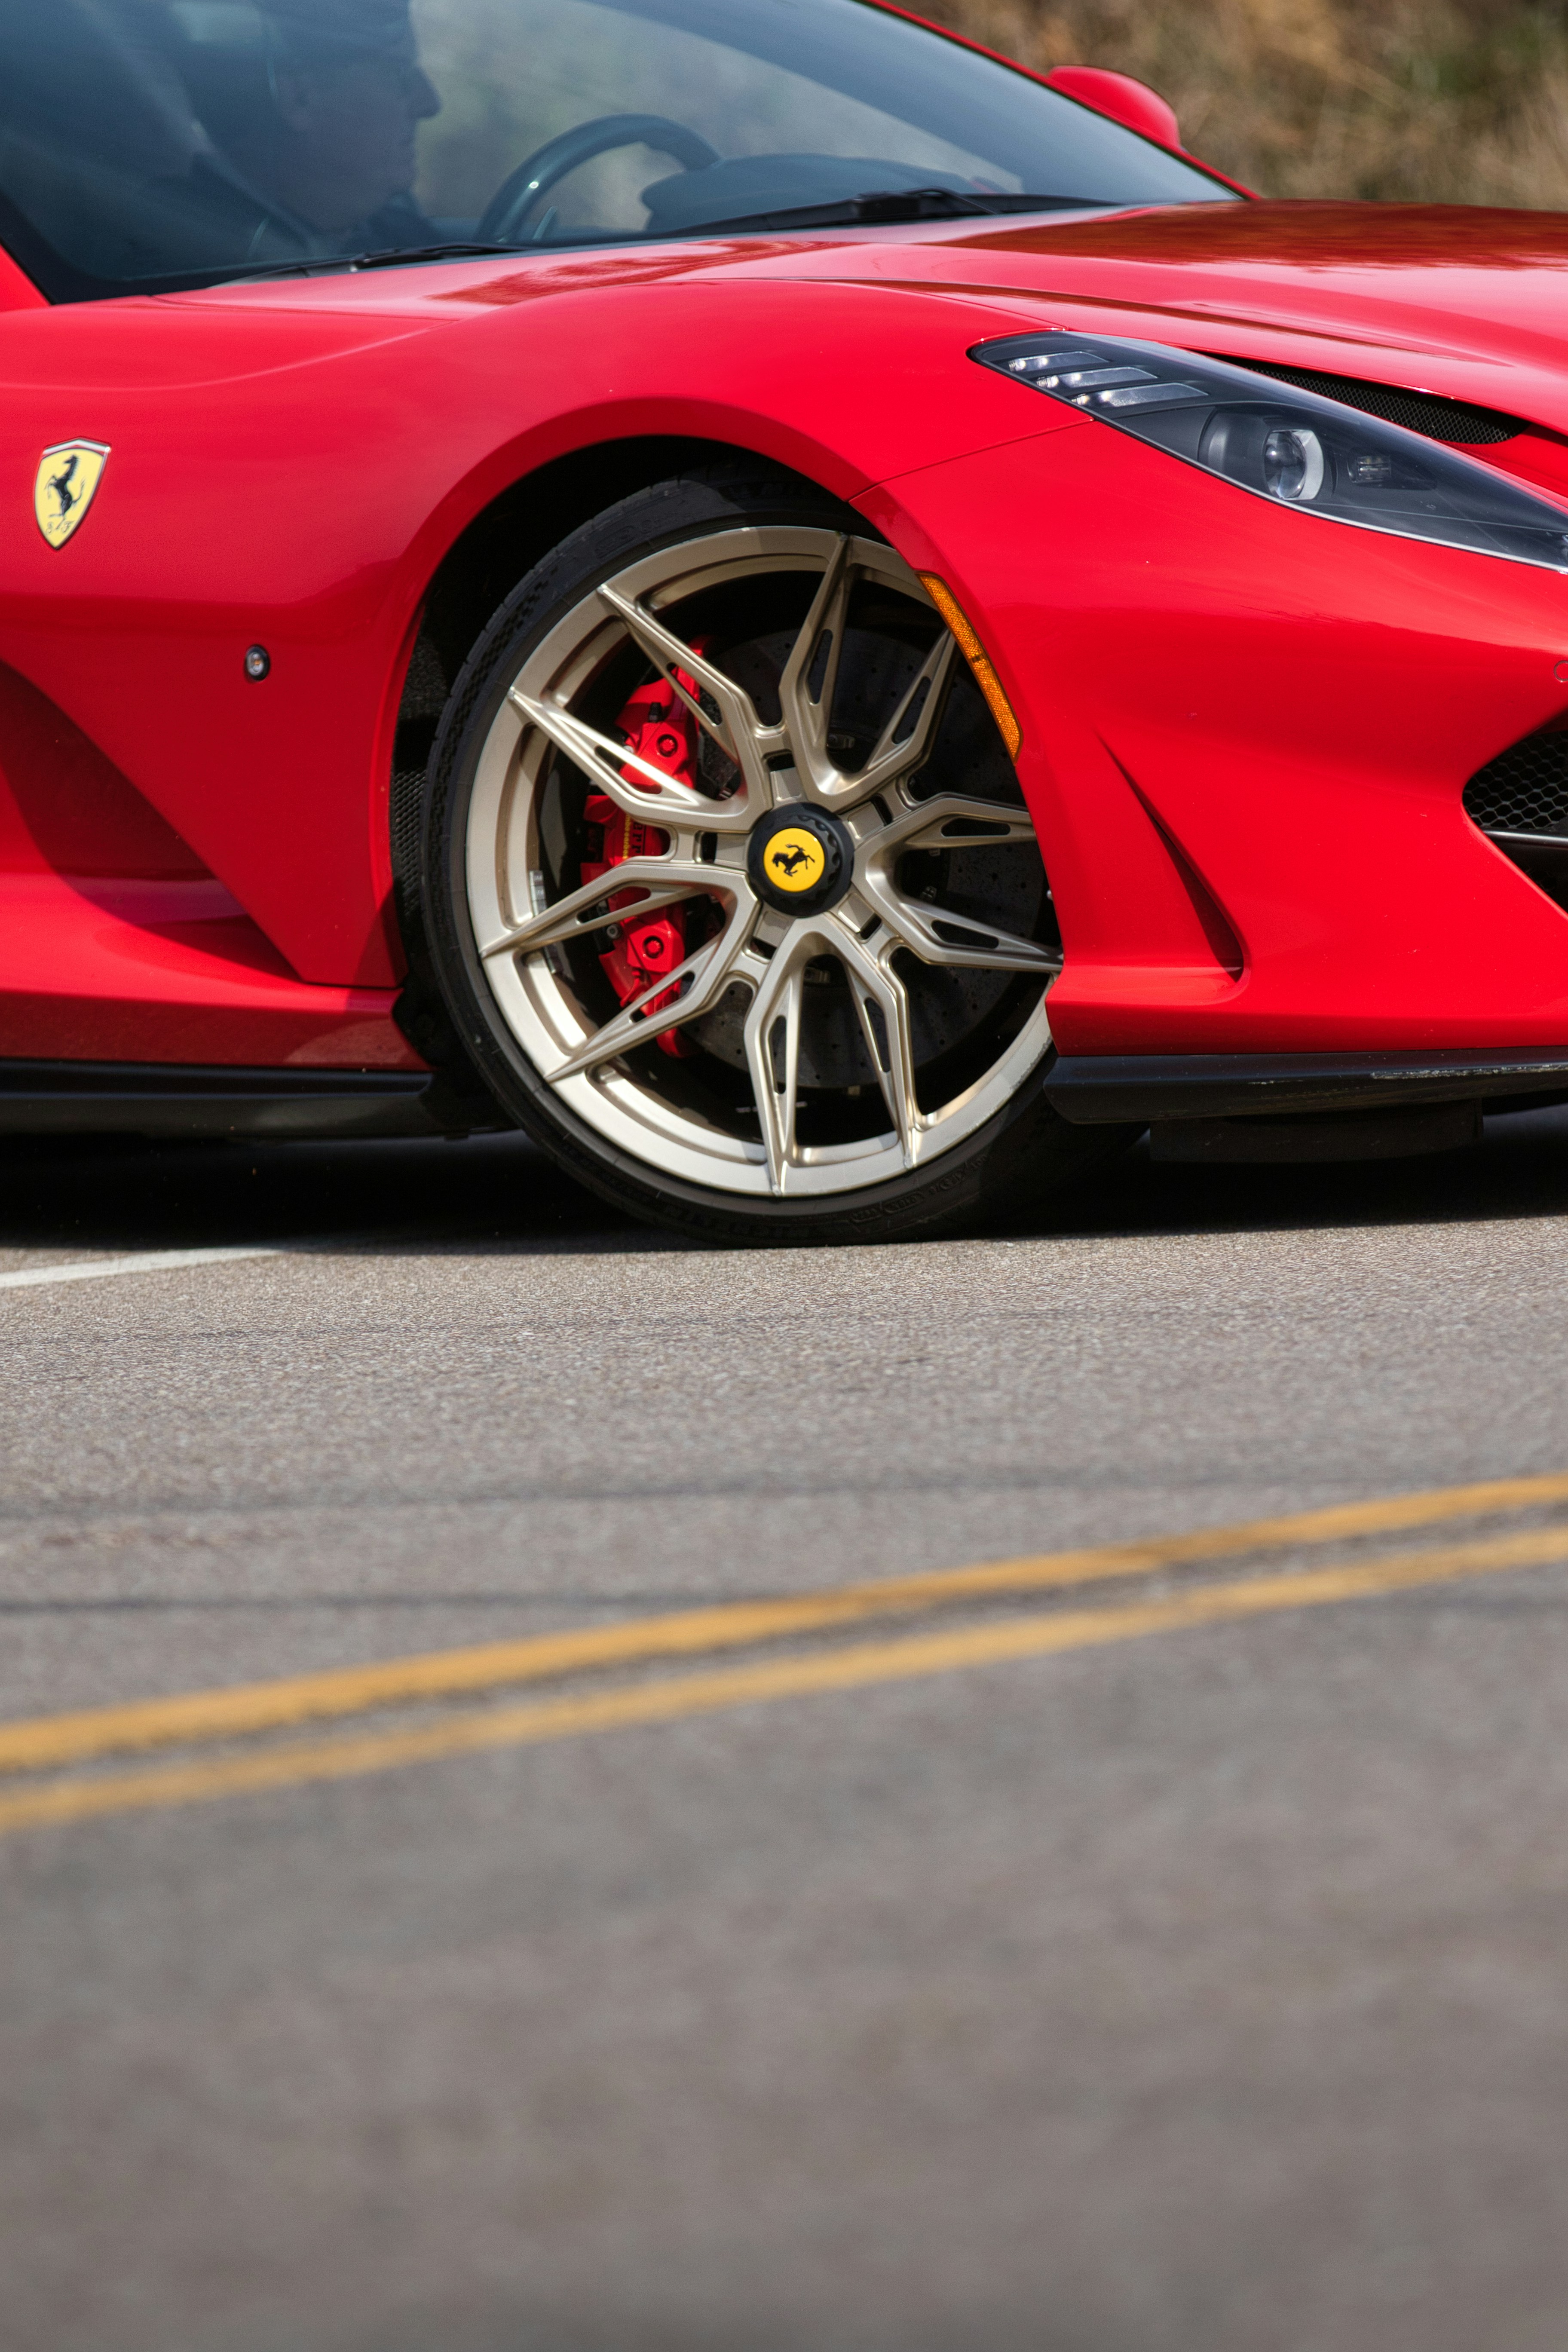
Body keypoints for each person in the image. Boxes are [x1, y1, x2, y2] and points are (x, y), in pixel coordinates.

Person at [171, 0, 442, 258]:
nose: (430, 104)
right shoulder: (177, 252)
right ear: (299, 97)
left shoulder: (400, 235)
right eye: (400, 76)